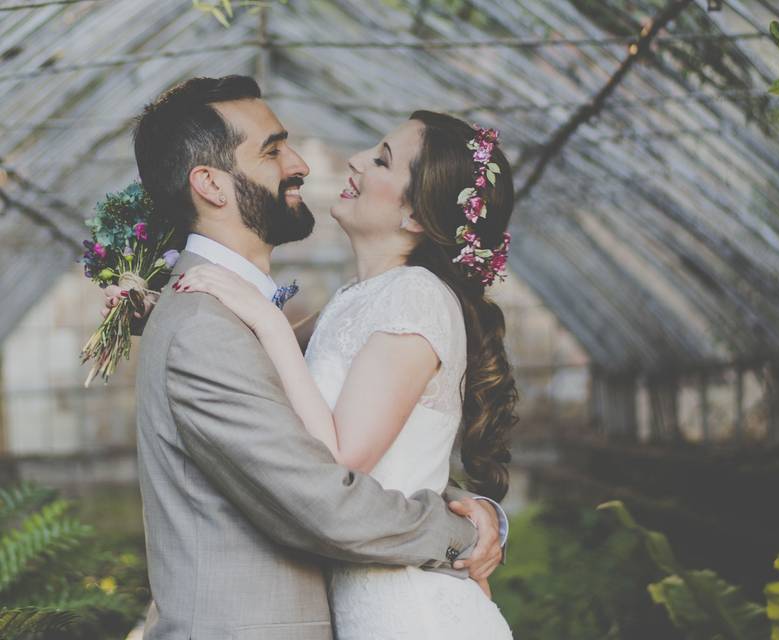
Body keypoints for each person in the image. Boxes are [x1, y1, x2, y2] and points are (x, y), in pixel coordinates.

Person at [111, 76, 507, 640]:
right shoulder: (205, 327)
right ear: (212, 185)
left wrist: (470, 507)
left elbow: (338, 453)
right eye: (273, 150)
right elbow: (325, 500)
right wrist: (461, 534)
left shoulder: (248, 314)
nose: (299, 163)